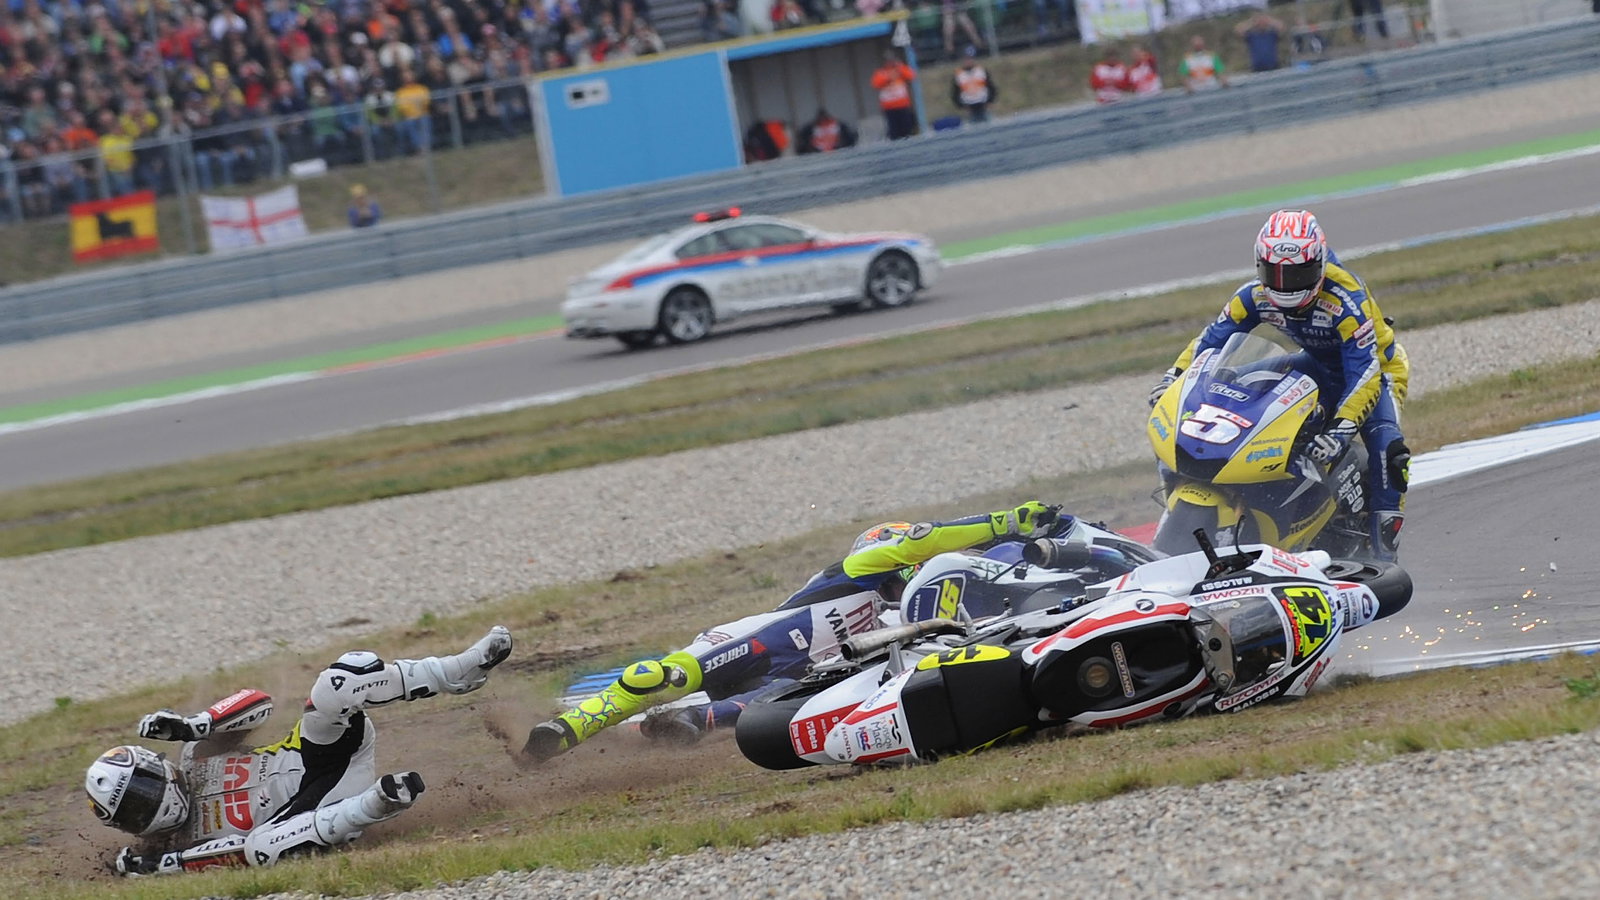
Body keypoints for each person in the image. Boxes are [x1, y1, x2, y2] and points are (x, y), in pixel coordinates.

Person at [521, 502, 1100, 761]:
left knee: (757, 712)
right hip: (764, 639)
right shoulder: (854, 572)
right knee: (667, 673)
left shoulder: (898, 614)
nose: (910, 570)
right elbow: (926, 542)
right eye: (901, 559)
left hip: (800, 674)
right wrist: (1004, 520)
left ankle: (692, 721)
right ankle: (566, 728)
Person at [87, 627, 514, 876]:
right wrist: (162, 864)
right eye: (133, 810)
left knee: (337, 682)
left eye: (144, 790)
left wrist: (198, 723)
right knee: (258, 850)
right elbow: (227, 857)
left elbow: (258, 700)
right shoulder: (163, 851)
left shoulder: (196, 753)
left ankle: (459, 671)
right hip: (310, 816)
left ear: (156, 768)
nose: (149, 806)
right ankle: (377, 804)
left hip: (323, 757)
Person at [1149, 210, 1410, 561]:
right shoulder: (1252, 295)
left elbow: (1364, 371)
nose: (1286, 284)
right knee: (1234, 386)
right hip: (1314, 362)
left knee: (1388, 450)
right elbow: (1209, 344)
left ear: (1318, 264)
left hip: (1376, 372)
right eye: (1276, 273)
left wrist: (1340, 432)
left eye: (1298, 273)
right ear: (1260, 266)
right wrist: (1172, 380)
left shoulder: (1346, 299)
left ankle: (1383, 553)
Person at [871, 49, 919, 141]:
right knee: (894, 132)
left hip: (903, 105)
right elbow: (875, 83)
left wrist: (899, 67)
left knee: (907, 129)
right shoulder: (881, 72)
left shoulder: (900, 70)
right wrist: (889, 77)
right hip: (889, 108)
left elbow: (911, 75)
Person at [950, 46, 997, 123]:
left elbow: (991, 87)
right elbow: (955, 93)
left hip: (983, 105)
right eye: (966, 58)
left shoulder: (981, 71)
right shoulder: (958, 74)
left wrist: (990, 101)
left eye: (970, 58)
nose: (968, 61)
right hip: (969, 108)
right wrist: (961, 106)